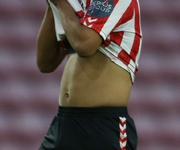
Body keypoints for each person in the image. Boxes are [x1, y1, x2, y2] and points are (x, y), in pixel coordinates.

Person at [37, 0, 142, 149]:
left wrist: (60, 3)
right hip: (63, 122)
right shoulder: (74, 4)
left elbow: (85, 45)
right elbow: (45, 63)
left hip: (102, 126)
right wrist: (52, 6)